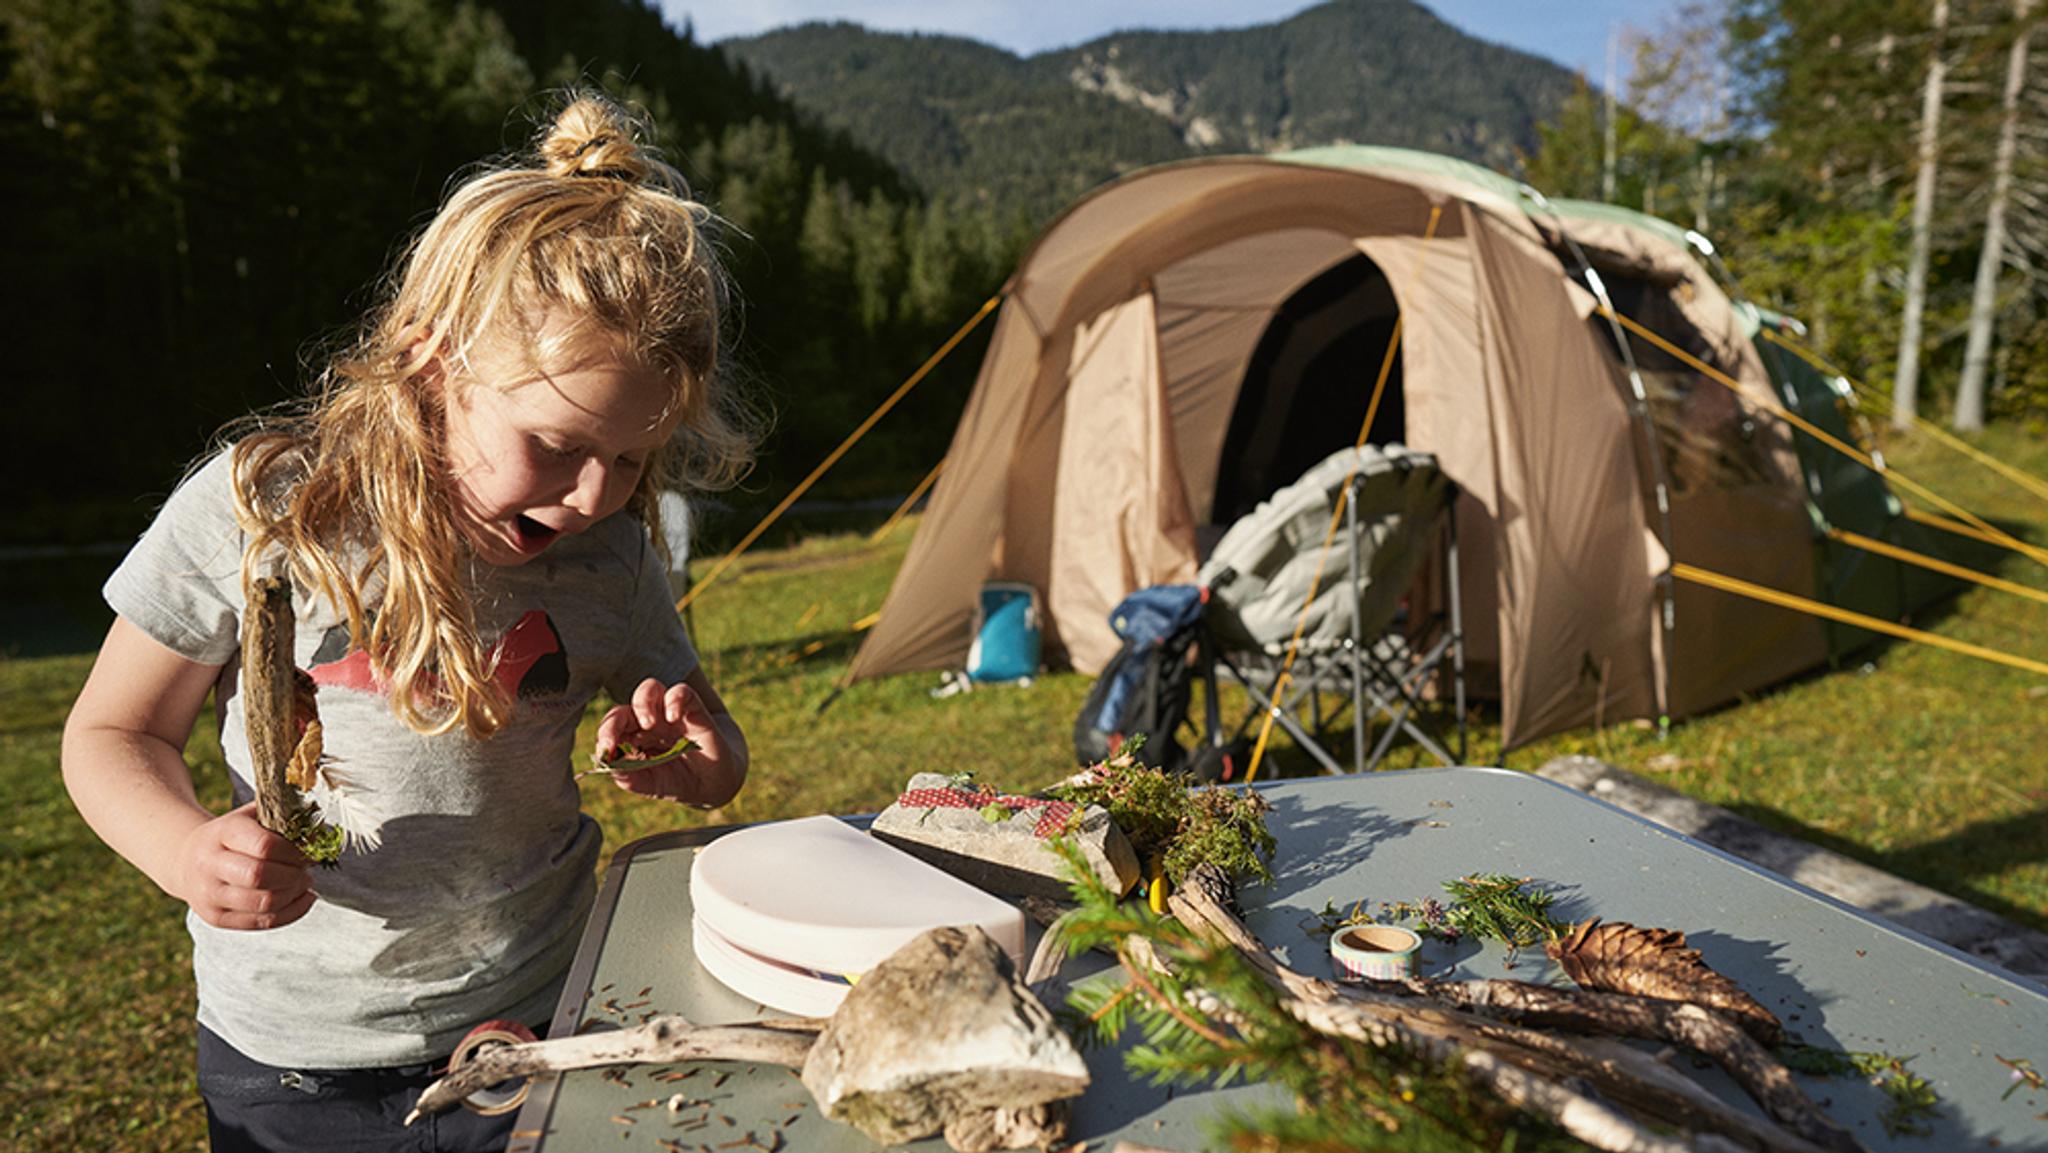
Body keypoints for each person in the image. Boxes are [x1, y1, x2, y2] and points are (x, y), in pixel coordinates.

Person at [61, 92, 756, 1152]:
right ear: (435, 363)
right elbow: (112, 733)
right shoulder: (270, 508)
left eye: (629, 459)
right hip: (293, 1062)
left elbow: (699, 730)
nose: (590, 496)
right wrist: (181, 849)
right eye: (558, 443)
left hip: (539, 1016)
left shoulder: (611, 553)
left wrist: (693, 756)